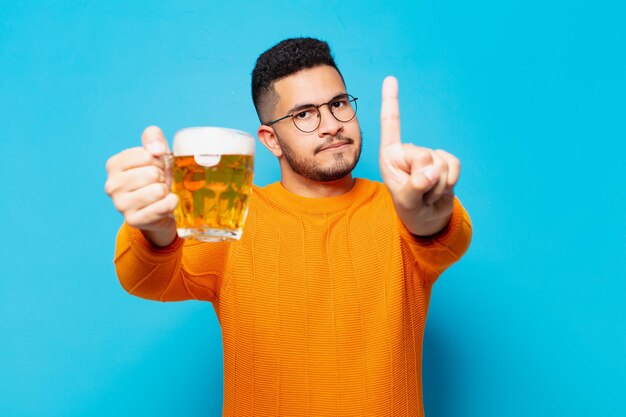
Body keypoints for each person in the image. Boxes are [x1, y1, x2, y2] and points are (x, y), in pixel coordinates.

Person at [105, 37, 472, 416]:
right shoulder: (232, 216)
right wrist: (155, 229)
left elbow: (448, 238)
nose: (331, 125)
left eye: (338, 104)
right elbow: (146, 279)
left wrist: (429, 217)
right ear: (271, 140)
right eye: (304, 114)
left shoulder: (401, 206)